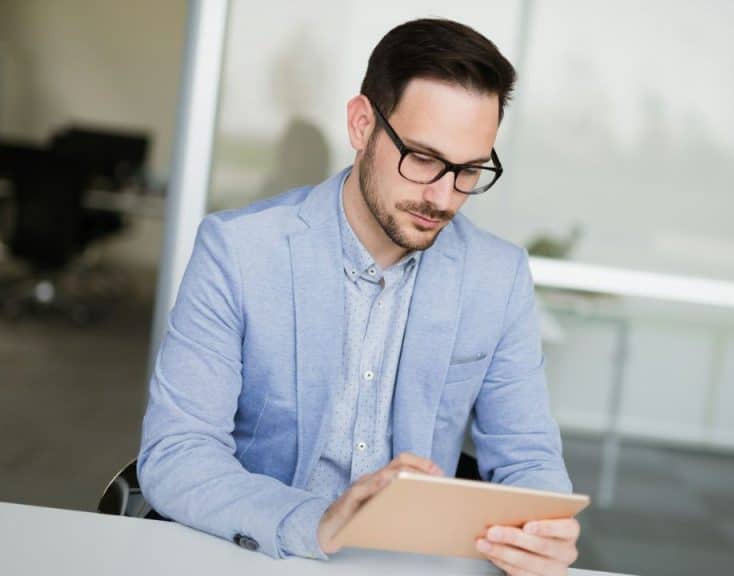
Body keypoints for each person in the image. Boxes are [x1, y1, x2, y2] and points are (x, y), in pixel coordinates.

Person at [138, 18, 579, 575]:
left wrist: (543, 528)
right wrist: (317, 521)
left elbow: (529, 456)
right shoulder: (239, 253)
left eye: (468, 171)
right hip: (262, 553)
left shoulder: (498, 275)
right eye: (421, 158)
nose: (442, 197)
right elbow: (176, 456)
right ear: (361, 123)